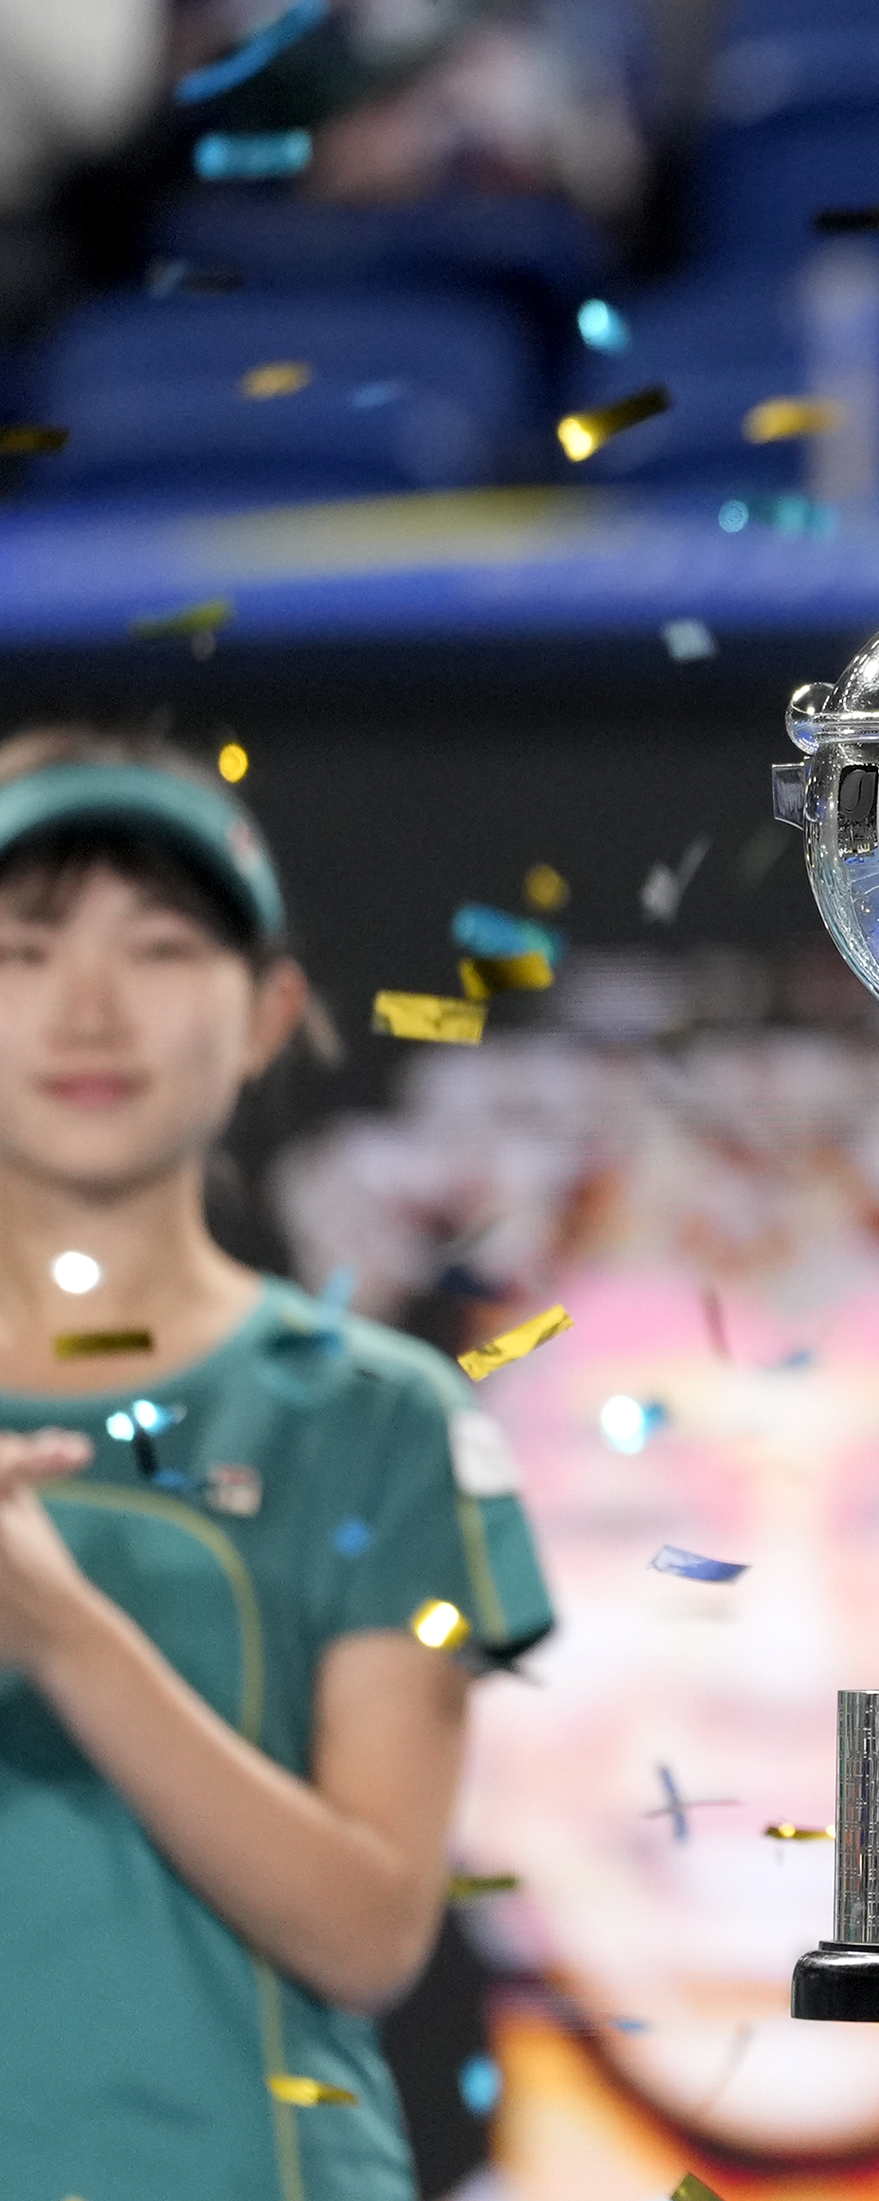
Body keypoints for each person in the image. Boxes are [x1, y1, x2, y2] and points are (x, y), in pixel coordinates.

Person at [0, 727, 557, 2200]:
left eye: (165, 947)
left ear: (267, 1014)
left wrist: (60, 1628)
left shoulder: (375, 1414)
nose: (91, 1010)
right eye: (27, 948)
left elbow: (372, 1929)